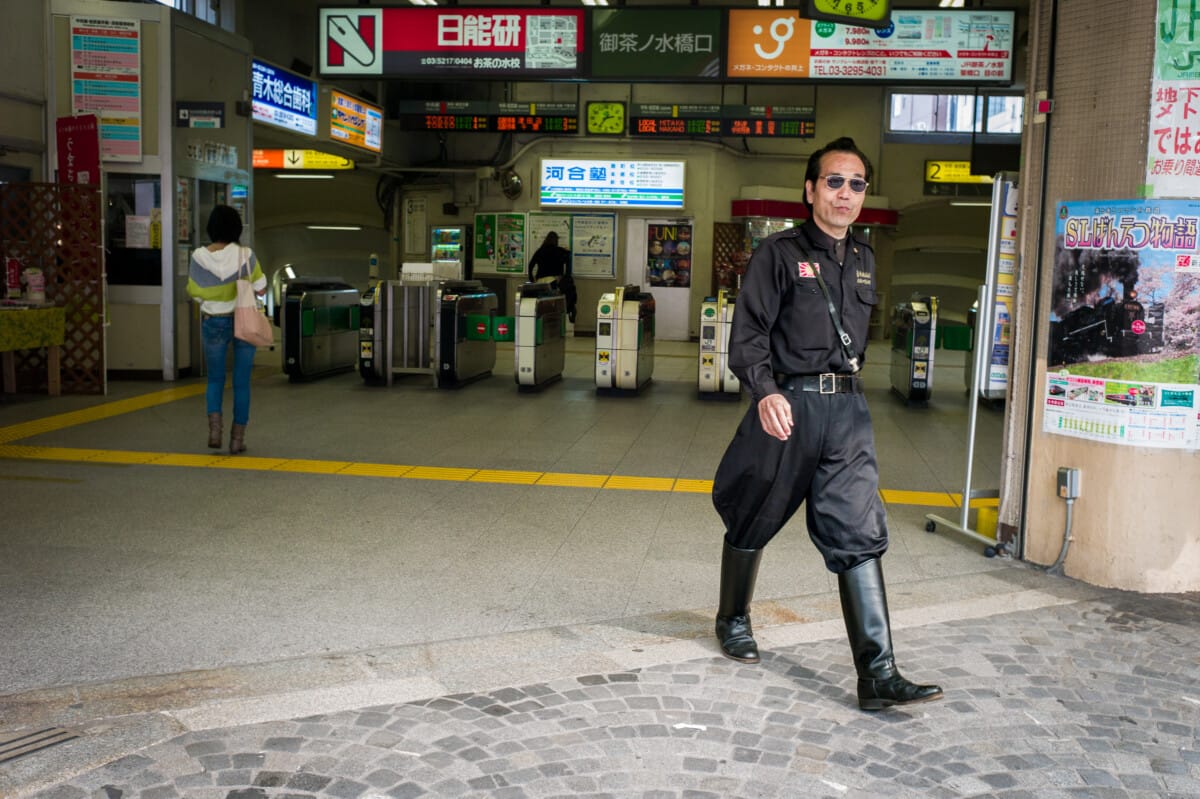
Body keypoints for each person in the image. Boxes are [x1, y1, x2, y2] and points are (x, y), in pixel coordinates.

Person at [711, 137, 943, 711]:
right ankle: (732, 618)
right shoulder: (779, 255)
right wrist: (764, 392)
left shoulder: (864, 258)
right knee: (755, 511)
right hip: (790, 406)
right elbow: (749, 336)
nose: (845, 193)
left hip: (847, 413)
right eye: (834, 181)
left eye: (857, 183)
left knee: (859, 531)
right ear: (811, 189)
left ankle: (878, 674)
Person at [186, 205, 267, 455]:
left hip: (213, 321)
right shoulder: (246, 254)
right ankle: (236, 439)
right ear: (235, 228)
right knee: (242, 382)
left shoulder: (198, 256)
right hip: (243, 321)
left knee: (215, 379)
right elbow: (262, 288)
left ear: (211, 227)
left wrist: (211, 301)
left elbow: (193, 290)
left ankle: (214, 432)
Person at [528, 231, 576, 322]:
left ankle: (542, 320)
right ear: (556, 240)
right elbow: (568, 264)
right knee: (556, 302)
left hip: (540, 283)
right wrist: (566, 276)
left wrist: (531, 278)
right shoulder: (560, 251)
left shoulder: (540, 251)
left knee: (542, 303)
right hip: (554, 282)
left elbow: (531, 265)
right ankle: (565, 314)